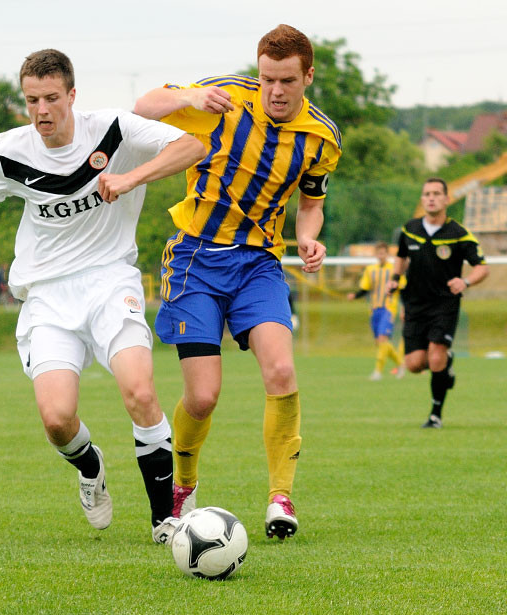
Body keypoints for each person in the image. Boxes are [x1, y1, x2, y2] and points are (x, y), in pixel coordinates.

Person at [0, 49, 205, 543]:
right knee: (56, 419)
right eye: (32, 100)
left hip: (110, 279)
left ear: (72, 95)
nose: (42, 110)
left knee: (139, 390)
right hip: (47, 295)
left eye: (52, 98)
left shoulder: (114, 129)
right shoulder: (9, 150)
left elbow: (193, 146)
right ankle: (90, 471)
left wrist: (130, 177)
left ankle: (167, 520)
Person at [133, 24, 342, 540]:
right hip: (194, 259)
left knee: (281, 370)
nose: (275, 90)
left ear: (307, 77)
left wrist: (310, 237)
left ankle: (280, 497)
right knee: (203, 398)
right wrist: (191, 96)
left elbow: (311, 204)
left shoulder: (322, 138)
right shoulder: (224, 99)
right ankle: (183, 486)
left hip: (258, 264)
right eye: (267, 78)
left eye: (287, 81)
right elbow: (143, 106)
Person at [387, 178, 488, 428]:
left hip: (445, 304)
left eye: (436, 194)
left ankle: (435, 416)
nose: (430, 198)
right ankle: (447, 364)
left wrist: (465, 282)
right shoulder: (409, 229)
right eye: (426, 194)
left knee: (435, 357)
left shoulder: (459, 234)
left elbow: (481, 268)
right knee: (414, 364)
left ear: (446, 199)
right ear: (422, 199)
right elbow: (400, 258)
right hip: (414, 304)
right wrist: (393, 279)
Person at [347, 241, 405, 380]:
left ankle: (378, 372)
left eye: (383, 253)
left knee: (382, 338)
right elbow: (365, 289)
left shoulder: (394, 270)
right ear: (375, 254)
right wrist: (355, 295)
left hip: (389, 308)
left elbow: (402, 289)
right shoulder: (370, 270)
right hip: (374, 309)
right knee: (380, 343)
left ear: (387, 254)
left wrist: (405, 307)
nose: (381, 255)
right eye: (378, 253)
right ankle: (401, 364)